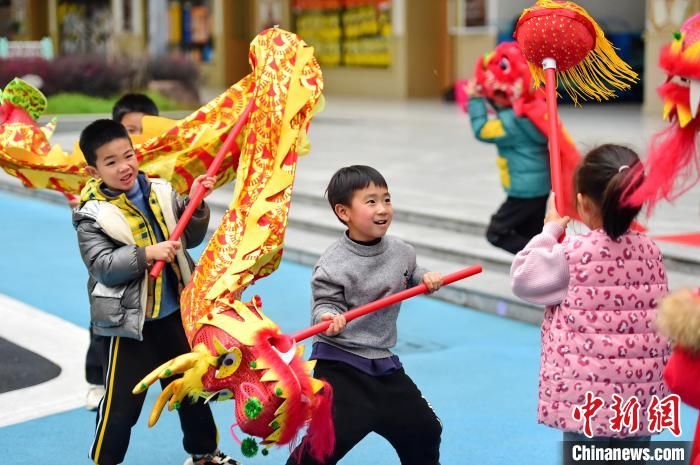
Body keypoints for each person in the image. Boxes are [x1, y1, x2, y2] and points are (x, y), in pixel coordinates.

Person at [73, 119, 240, 465]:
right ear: (93, 169)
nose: (125, 166)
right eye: (111, 161)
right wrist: (146, 254)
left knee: (191, 390)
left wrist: (196, 203)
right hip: (130, 326)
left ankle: (204, 455)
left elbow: (189, 237)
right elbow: (102, 266)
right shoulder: (91, 215)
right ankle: (104, 461)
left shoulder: (160, 192)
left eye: (128, 155)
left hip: (173, 316)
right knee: (122, 406)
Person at [510, 144, 670, 464]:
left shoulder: (572, 254)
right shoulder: (650, 251)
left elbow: (522, 277)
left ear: (582, 202)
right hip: (638, 400)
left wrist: (550, 230)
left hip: (588, 402)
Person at [287, 165, 444, 465]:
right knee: (325, 444)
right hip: (340, 364)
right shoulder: (333, 264)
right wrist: (328, 318)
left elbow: (411, 273)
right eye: (371, 201)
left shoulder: (402, 251)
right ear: (344, 212)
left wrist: (427, 278)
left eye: (386, 199)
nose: (382, 208)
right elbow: (324, 304)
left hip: (382, 364)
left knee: (424, 429)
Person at [81, 93, 161, 411]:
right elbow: (101, 260)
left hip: (157, 280)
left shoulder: (156, 175)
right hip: (118, 277)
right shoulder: (97, 194)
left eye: (144, 129)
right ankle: (97, 380)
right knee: (106, 326)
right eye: (131, 128)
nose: (138, 135)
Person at [466, 80, 551, 254]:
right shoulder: (535, 115)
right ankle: (537, 270)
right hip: (541, 188)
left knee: (496, 233)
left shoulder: (509, 124)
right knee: (531, 233)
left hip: (523, 191)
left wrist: (475, 99)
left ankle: (541, 256)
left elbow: (481, 130)